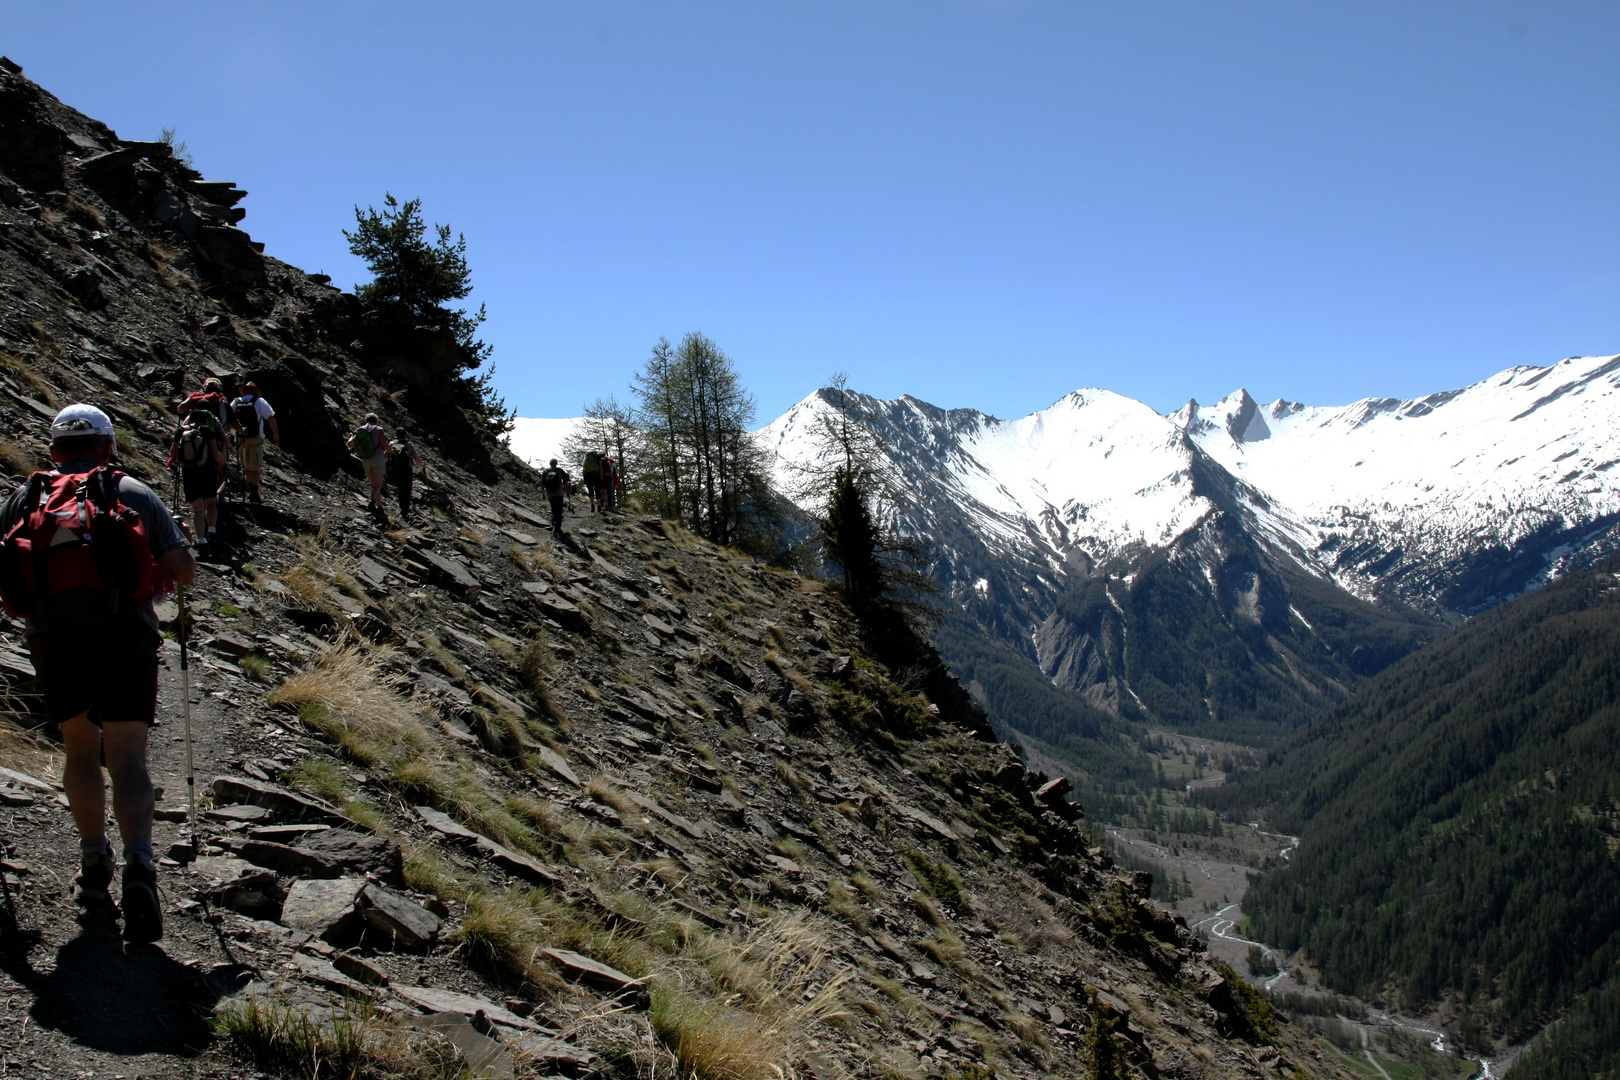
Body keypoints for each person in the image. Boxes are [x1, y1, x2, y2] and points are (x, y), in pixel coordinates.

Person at [0, 405, 195, 943]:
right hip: (124, 631)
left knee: (79, 750)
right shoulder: (131, 492)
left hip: (52, 636)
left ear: (53, 448)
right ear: (107, 445)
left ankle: (93, 863)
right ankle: (140, 866)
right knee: (128, 756)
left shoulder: (26, 497)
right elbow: (183, 572)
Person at [170, 403, 227, 550]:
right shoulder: (207, 431)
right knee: (210, 504)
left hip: (189, 473)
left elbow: (173, 453)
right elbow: (215, 454)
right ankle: (212, 532)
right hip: (208, 472)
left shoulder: (180, 431)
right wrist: (223, 463)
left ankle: (201, 541)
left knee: (198, 510)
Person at [229, 381, 280, 504]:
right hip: (256, 437)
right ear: (254, 391)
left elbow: (230, 418)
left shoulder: (236, 402)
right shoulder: (260, 401)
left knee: (246, 463)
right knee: (255, 464)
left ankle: (250, 487)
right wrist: (275, 433)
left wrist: (229, 435)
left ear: (245, 391)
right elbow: (270, 417)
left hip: (241, 437)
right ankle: (254, 491)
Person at [346, 412, 391, 522]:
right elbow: (384, 445)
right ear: (376, 420)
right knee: (378, 484)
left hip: (365, 459)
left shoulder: (360, 430)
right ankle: (371, 502)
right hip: (377, 458)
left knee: (374, 485)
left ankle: (379, 507)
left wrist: (351, 438)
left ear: (366, 420)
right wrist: (391, 451)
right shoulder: (378, 429)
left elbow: (350, 444)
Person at [387, 426, 424, 520]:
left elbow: (386, 455)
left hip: (395, 468)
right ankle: (405, 510)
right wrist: (422, 465)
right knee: (407, 488)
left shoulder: (391, 443)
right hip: (407, 468)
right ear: (405, 435)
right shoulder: (408, 444)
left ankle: (401, 507)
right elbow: (415, 457)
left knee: (399, 487)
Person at [540, 458, 570, 539]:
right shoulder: (559, 470)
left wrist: (543, 494)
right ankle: (558, 527)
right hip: (559, 493)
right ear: (556, 463)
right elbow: (566, 482)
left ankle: (553, 520)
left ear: (550, 463)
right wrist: (568, 492)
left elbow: (542, 483)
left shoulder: (545, 471)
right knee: (559, 509)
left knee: (553, 507)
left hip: (550, 493)